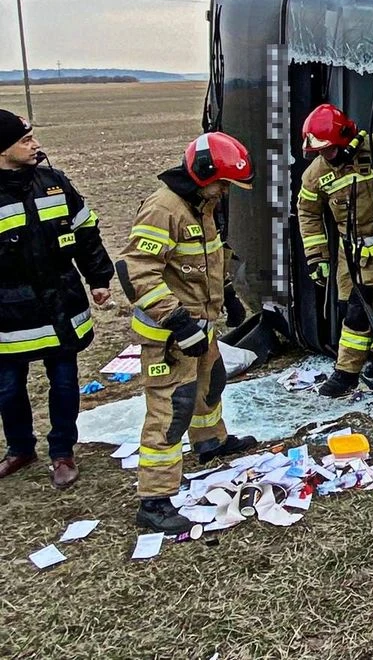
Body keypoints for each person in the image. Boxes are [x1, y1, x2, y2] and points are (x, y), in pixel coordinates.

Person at [116, 132, 259, 532]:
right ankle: (154, 499)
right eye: (224, 183)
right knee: (171, 409)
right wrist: (178, 322)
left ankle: (209, 443)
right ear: (202, 173)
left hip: (201, 324)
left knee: (209, 386)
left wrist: (226, 295)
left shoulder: (203, 205)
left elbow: (204, 260)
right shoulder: (165, 209)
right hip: (169, 334)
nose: (226, 192)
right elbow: (137, 271)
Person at [0, 110, 113, 488]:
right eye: (24, 140)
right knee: (8, 388)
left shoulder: (54, 183)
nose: (35, 146)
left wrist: (99, 278)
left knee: (64, 383)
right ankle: (20, 449)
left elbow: (86, 231)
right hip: (8, 315)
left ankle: (62, 452)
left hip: (60, 305)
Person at [296, 104, 373, 398]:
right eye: (320, 151)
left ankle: (346, 374)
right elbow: (307, 213)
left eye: (330, 150)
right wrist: (317, 257)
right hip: (350, 253)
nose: (325, 156)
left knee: (361, 313)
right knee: (348, 307)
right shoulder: (315, 174)